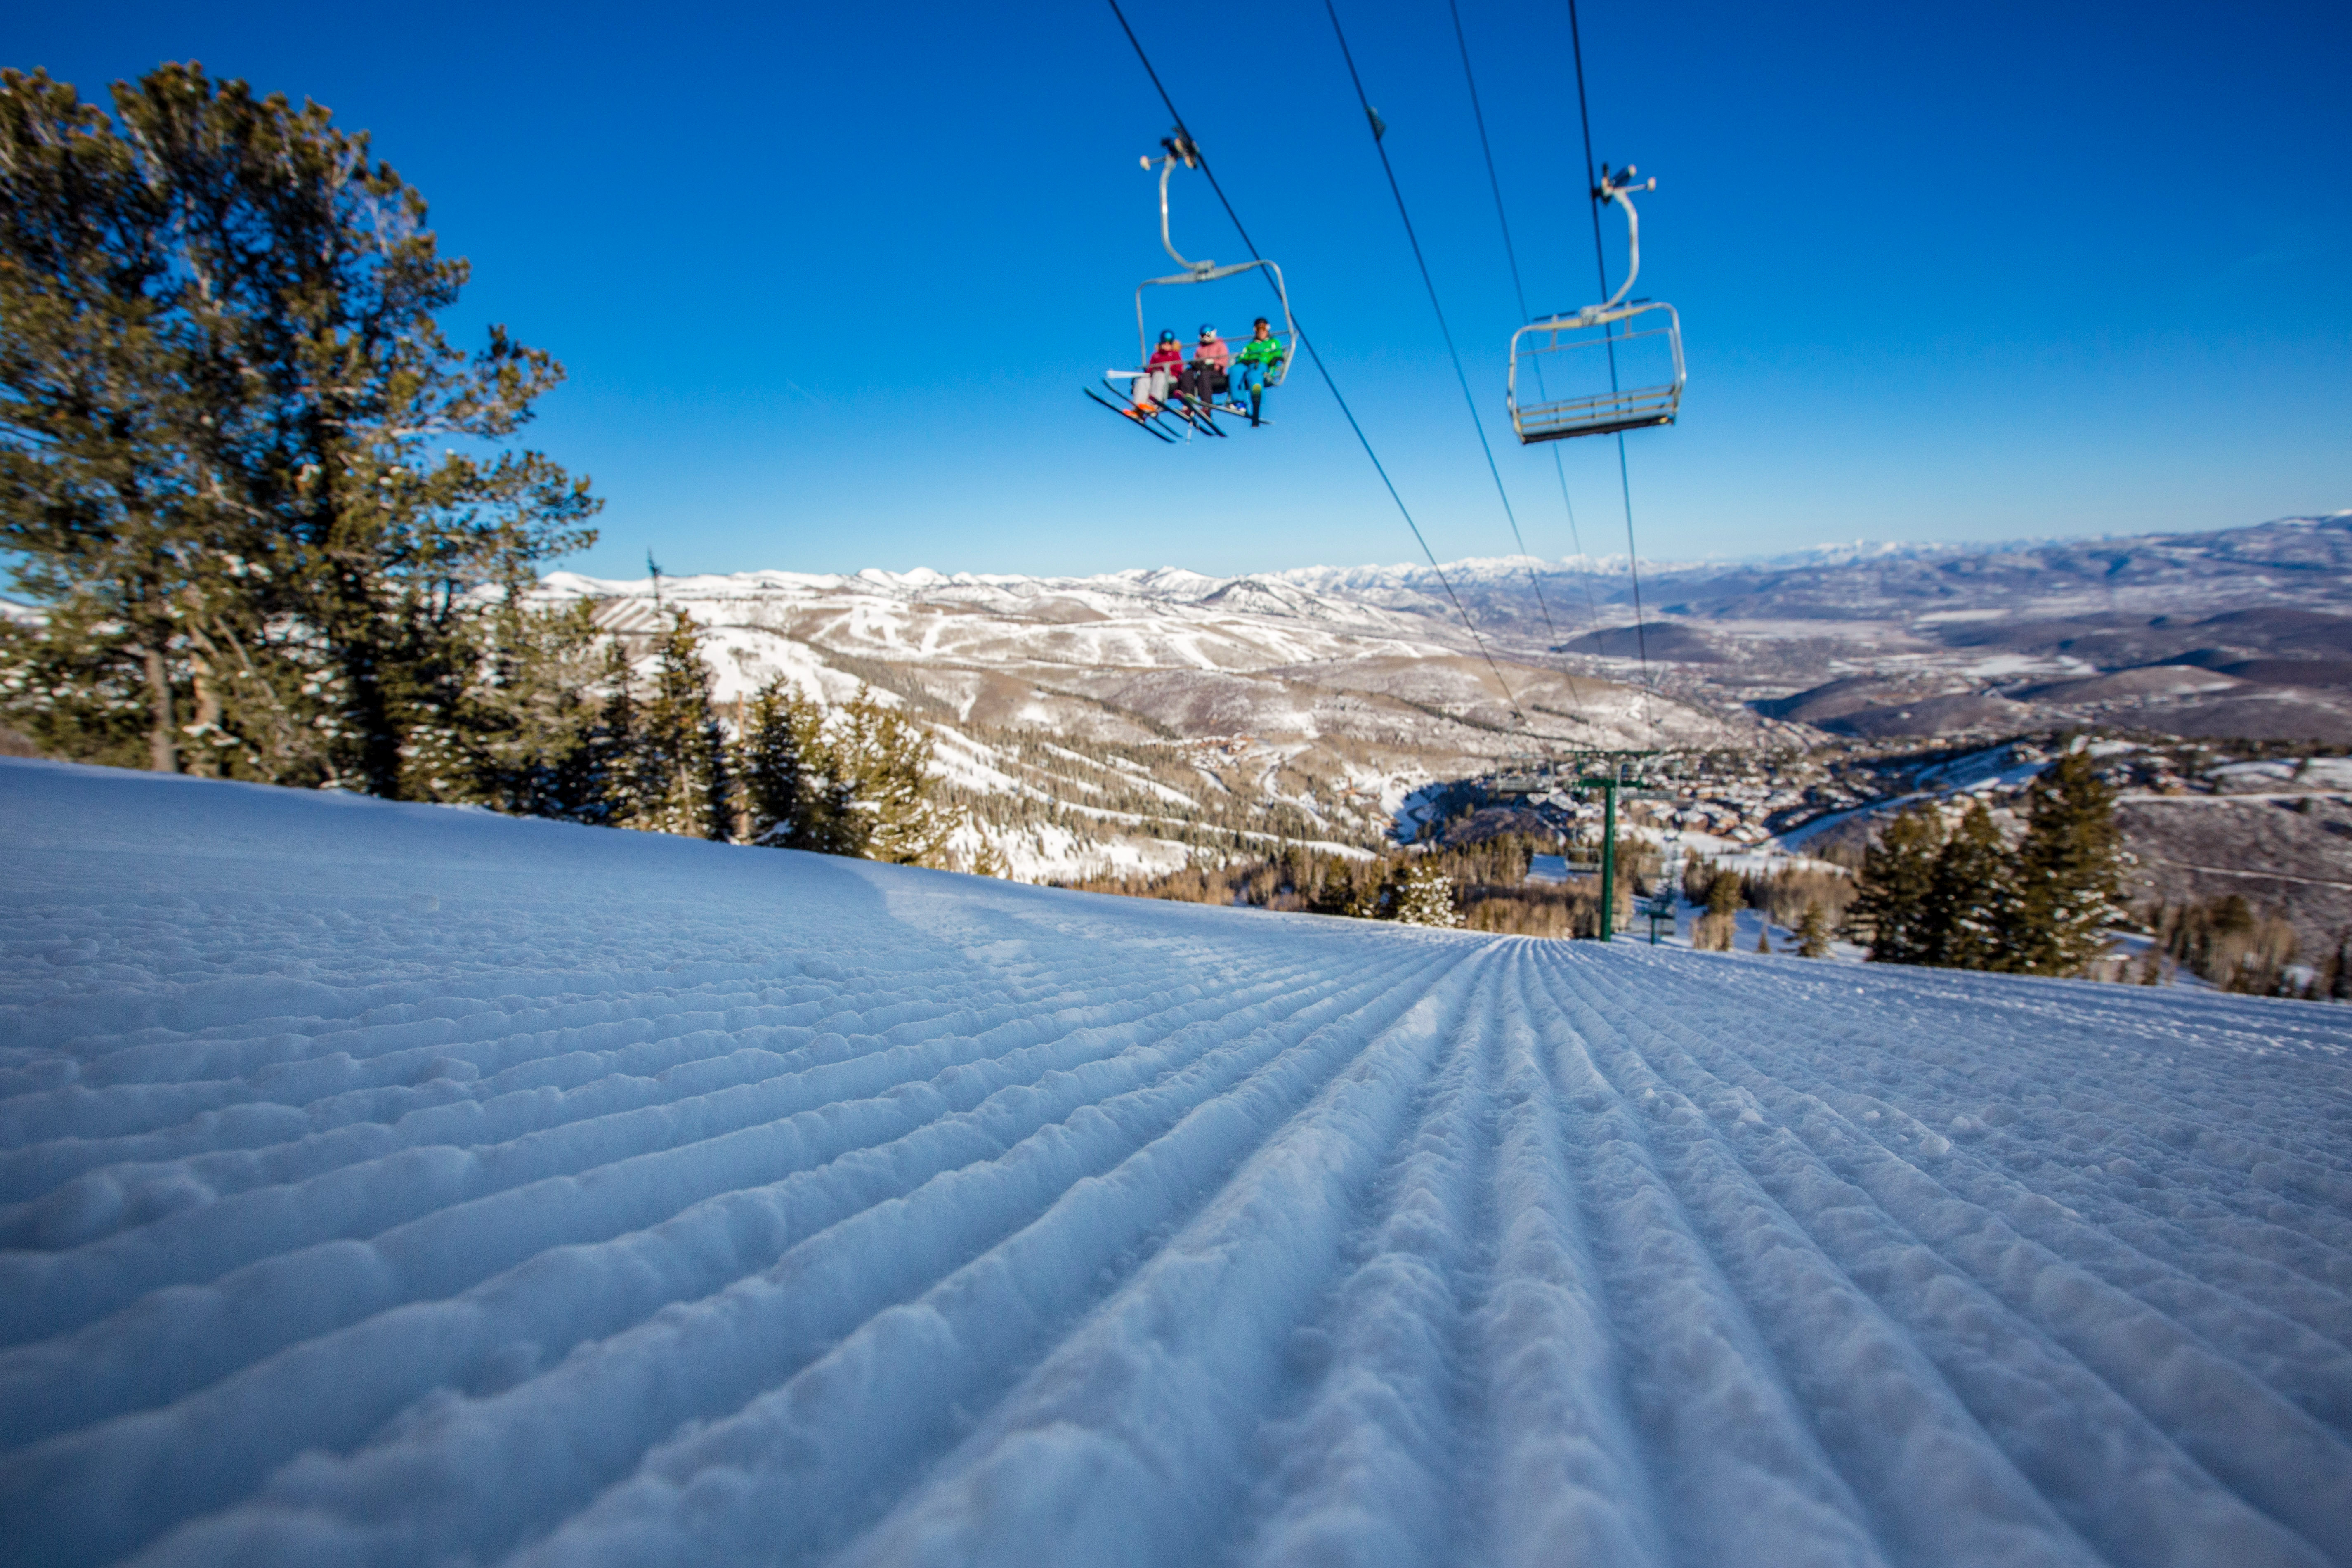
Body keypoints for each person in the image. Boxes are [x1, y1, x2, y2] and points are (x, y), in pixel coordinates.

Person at [1233, 317, 1283, 425]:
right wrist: (1246, 361)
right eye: (1258, 328)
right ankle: (1238, 402)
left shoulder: (1273, 343)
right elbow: (1242, 357)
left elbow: (1278, 354)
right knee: (1236, 370)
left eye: (1264, 328)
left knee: (1255, 373)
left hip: (1263, 367)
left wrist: (1274, 360)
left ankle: (1256, 394)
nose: (1261, 330)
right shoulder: (1251, 345)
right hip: (1249, 365)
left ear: (1268, 329)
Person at [1131, 329, 1185, 416]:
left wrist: (1167, 371)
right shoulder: (1156, 355)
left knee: (1159, 376)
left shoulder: (1175, 354)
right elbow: (1150, 369)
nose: (1166, 345)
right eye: (1164, 343)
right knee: (1143, 380)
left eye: (1169, 343)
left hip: (1169, 378)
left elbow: (1179, 369)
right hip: (1155, 377)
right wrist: (1152, 372)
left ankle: (1154, 404)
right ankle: (1138, 407)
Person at [1182, 324, 1230, 414]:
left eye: (1207, 335)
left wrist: (1213, 363)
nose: (1205, 338)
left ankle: (1206, 404)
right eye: (1203, 336)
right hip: (1202, 370)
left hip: (1216, 372)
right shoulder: (1200, 349)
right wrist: (1196, 364)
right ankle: (1188, 401)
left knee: (1204, 375)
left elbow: (1224, 361)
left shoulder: (1220, 345)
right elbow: (1196, 360)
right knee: (1187, 374)